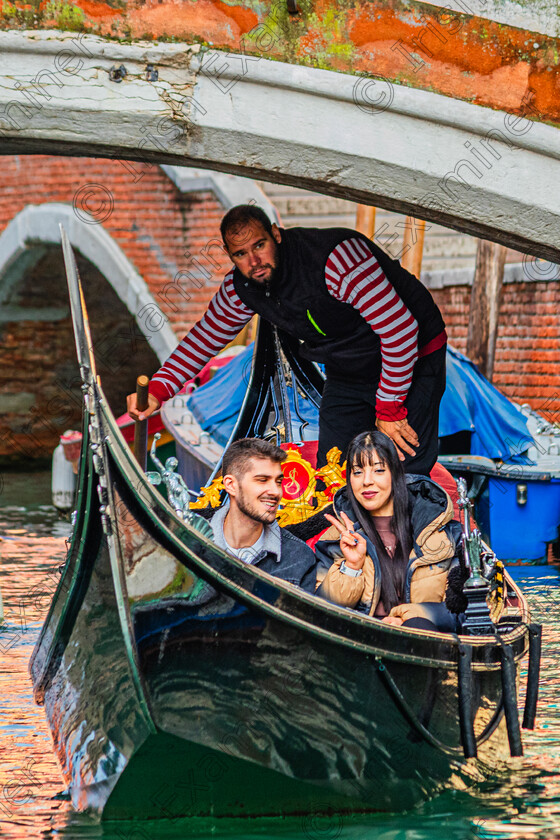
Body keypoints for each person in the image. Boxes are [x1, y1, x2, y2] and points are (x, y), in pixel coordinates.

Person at [127, 205, 447, 474]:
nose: (254, 261)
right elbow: (204, 338)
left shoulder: (337, 260)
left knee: (402, 470)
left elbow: (400, 330)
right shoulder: (242, 288)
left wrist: (389, 407)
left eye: (259, 246)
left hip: (413, 359)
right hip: (349, 369)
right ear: (229, 255)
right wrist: (159, 389)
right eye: (240, 254)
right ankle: (344, 546)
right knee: (332, 471)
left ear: (276, 234)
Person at [315, 430, 464, 631]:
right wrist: (351, 566)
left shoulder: (442, 535)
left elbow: (467, 611)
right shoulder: (336, 538)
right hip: (361, 642)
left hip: (426, 642)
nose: (366, 481)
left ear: (395, 473)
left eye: (378, 470)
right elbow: (320, 613)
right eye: (357, 472)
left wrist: (408, 618)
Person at [205, 437, 316, 593]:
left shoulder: (299, 557)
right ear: (231, 485)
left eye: (278, 482)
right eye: (262, 480)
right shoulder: (191, 540)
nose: (276, 492)